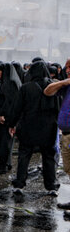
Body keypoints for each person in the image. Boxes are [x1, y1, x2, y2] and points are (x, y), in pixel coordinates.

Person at [10, 61, 60, 197]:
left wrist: (12, 124)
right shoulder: (53, 86)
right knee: (48, 157)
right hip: (48, 127)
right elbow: (58, 108)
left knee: (24, 155)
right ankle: (51, 186)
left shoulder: (26, 88)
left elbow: (17, 108)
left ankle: (19, 184)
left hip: (28, 126)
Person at [0, 63, 22, 175]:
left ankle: (3, 166)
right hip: (0, 118)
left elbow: (10, 102)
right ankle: (5, 163)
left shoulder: (11, 83)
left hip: (6, 119)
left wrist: (3, 114)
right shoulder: (4, 82)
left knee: (4, 143)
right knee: (1, 142)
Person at [44, 59, 70, 210]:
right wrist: (63, 82)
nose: (68, 70)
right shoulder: (66, 86)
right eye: (67, 68)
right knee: (68, 168)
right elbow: (47, 91)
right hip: (66, 134)